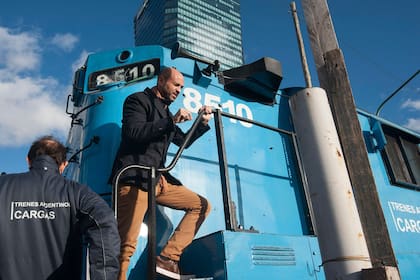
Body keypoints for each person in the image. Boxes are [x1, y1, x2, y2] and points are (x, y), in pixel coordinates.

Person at [109, 67, 212, 280]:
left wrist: (200, 123)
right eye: (176, 85)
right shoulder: (137, 100)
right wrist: (171, 121)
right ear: (161, 80)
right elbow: (134, 132)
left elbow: (183, 142)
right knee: (126, 244)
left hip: (158, 179)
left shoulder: (165, 113)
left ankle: (168, 258)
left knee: (201, 205)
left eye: (181, 87)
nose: (179, 91)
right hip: (136, 177)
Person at [0, 135, 120, 280]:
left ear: (28, 160)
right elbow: (105, 223)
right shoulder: (79, 193)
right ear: (64, 165)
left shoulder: (3, 185)